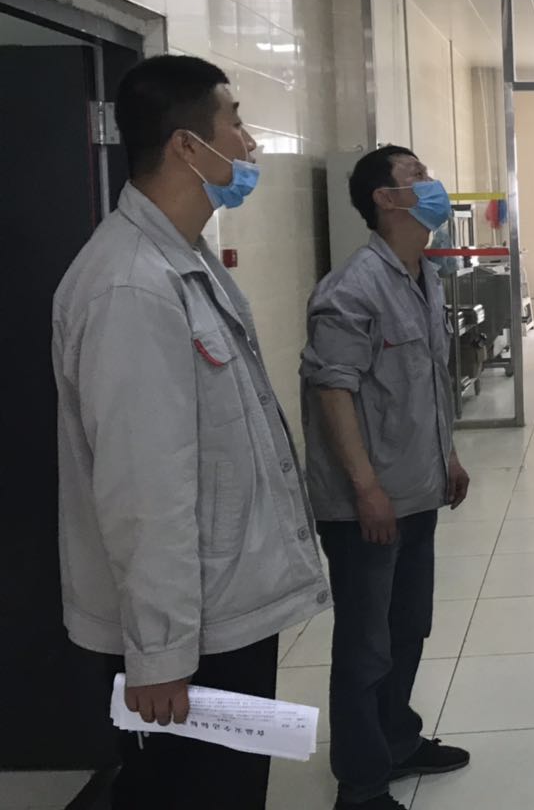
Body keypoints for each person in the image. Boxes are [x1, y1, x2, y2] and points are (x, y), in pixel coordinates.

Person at [51, 55, 329, 809]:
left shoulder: (185, 261)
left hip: (225, 615)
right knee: (193, 793)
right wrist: (160, 655)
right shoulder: (131, 286)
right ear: (186, 145)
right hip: (188, 641)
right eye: (235, 122)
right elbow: (144, 490)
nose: (250, 143)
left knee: (233, 790)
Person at [301, 146, 473, 810]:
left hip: (417, 488)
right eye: (417, 177)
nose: (432, 185)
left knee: (408, 629)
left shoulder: (420, 276)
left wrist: (447, 456)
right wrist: (365, 486)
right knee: (366, 646)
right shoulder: (352, 288)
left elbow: (424, 382)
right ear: (385, 198)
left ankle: (397, 739)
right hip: (367, 505)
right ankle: (362, 782)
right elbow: (334, 390)